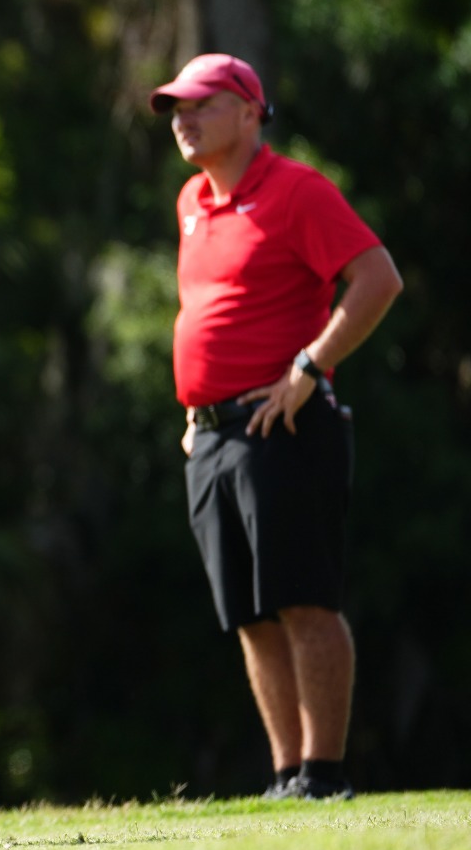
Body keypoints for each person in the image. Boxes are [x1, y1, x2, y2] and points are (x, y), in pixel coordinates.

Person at [152, 53, 402, 801]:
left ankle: (324, 772)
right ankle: (287, 772)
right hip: (212, 436)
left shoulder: (297, 191)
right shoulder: (191, 201)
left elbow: (377, 277)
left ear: (250, 111)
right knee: (251, 615)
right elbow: (205, 315)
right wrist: (194, 415)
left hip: (282, 424)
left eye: (201, 105)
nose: (183, 120)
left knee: (304, 600)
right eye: (175, 109)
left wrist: (311, 365)